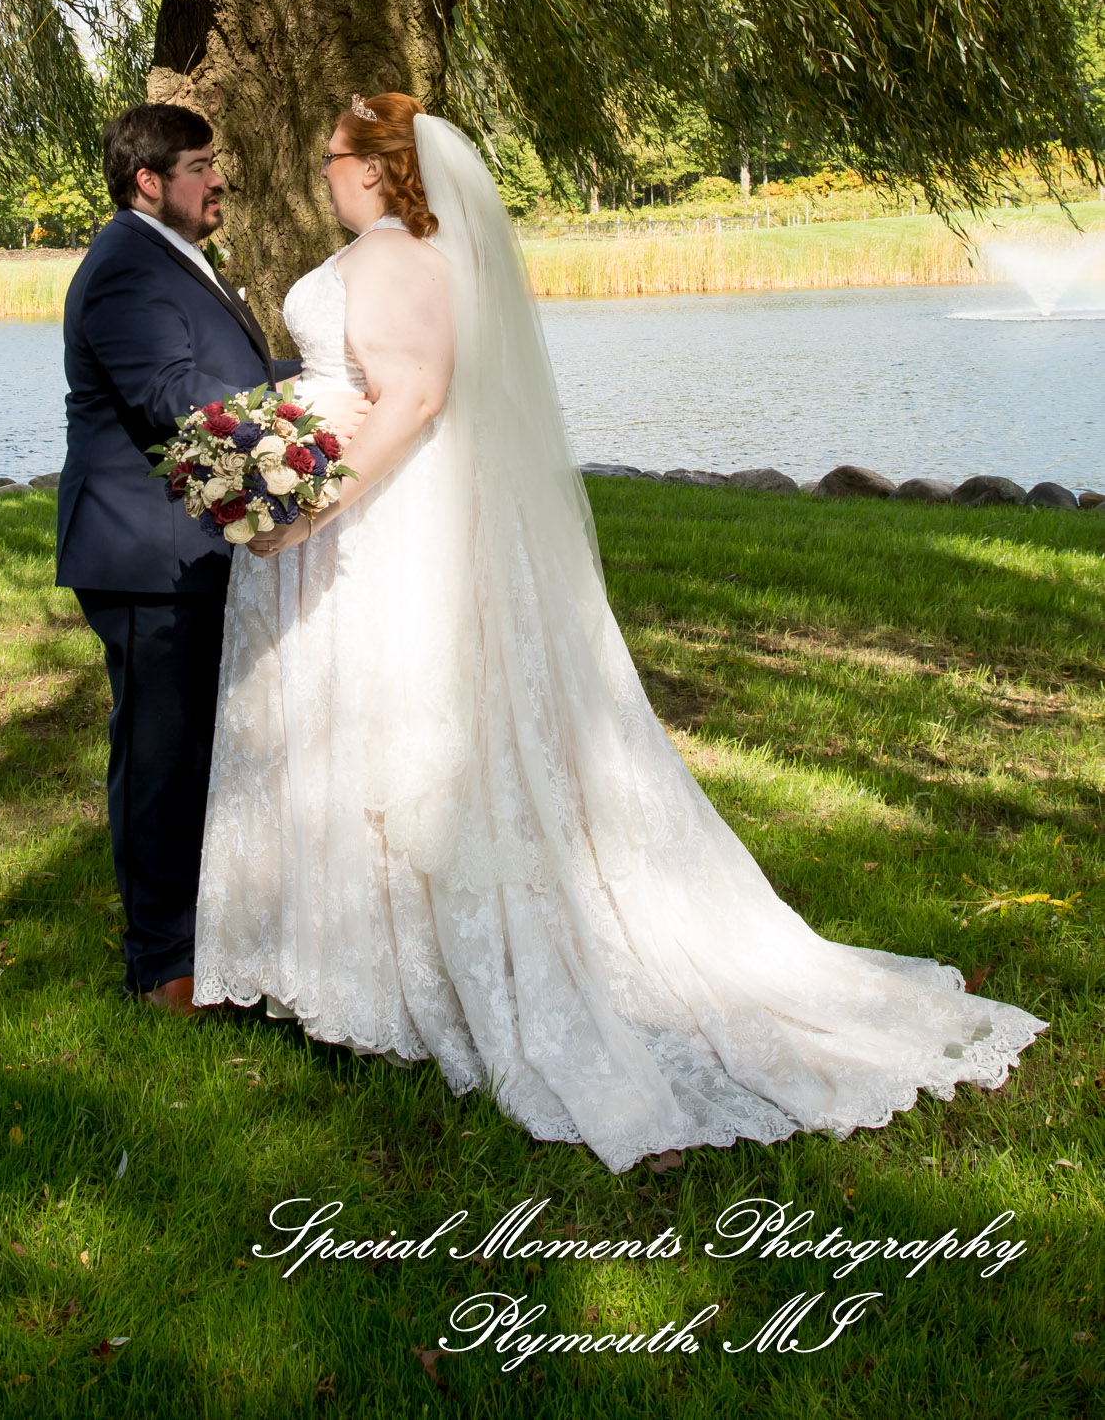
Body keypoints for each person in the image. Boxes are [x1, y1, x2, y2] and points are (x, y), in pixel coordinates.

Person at [192, 93, 1045, 1169]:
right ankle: (343, 963)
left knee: (390, 726)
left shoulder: (398, 258)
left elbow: (410, 398)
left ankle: (396, 974)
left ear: (383, 166)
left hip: (366, 519)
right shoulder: (400, 250)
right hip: (345, 509)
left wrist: (311, 505)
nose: (322, 171)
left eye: (335, 155)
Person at [56, 102, 362, 1013]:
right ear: (149, 181)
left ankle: (208, 941)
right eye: (199, 165)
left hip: (185, 547)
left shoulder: (171, 254)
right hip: (148, 554)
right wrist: (307, 409)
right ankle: (161, 969)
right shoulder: (121, 267)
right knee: (159, 759)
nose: (218, 177)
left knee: (195, 752)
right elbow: (167, 393)